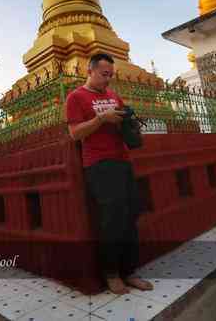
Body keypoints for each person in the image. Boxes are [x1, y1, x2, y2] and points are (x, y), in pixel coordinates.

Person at [66, 53, 153, 295]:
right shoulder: (76, 97)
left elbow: (123, 121)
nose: (108, 79)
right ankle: (112, 274)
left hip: (123, 161)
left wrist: (130, 120)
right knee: (111, 219)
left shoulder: (113, 96)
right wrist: (101, 118)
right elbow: (75, 133)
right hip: (99, 164)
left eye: (110, 75)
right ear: (90, 71)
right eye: (104, 74)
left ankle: (129, 271)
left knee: (131, 215)